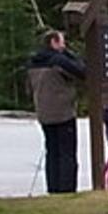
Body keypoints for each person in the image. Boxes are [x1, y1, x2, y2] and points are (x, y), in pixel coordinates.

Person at [27, 29, 85, 194]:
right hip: (63, 113)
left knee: (52, 153)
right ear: (53, 42)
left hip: (44, 113)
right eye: (62, 42)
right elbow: (81, 71)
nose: (64, 45)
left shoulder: (33, 62)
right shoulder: (58, 60)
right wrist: (68, 54)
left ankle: (53, 189)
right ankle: (67, 189)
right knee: (67, 154)